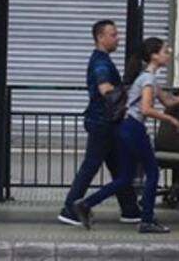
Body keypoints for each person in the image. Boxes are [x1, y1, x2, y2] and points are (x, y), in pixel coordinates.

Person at [74, 37, 179, 233]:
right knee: (153, 173)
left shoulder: (147, 78)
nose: (168, 54)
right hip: (134, 129)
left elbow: (169, 102)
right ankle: (147, 220)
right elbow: (146, 109)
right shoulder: (148, 80)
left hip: (125, 128)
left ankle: (86, 204)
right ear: (154, 55)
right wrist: (170, 120)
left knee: (124, 177)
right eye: (165, 51)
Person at [58, 20, 141, 226]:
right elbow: (105, 89)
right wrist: (125, 93)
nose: (117, 38)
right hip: (103, 122)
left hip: (106, 122)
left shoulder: (101, 60)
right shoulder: (101, 62)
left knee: (120, 167)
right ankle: (70, 209)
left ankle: (130, 210)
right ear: (100, 38)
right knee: (91, 165)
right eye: (113, 35)